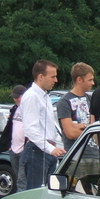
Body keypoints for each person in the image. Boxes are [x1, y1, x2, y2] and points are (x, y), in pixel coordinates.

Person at [20, 60, 66, 189]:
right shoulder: (31, 97)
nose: (56, 80)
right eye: (53, 77)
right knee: (36, 194)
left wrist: (54, 146)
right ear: (41, 77)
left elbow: (48, 126)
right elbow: (31, 129)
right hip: (37, 151)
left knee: (48, 193)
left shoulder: (45, 96)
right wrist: (51, 149)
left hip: (47, 151)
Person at [0, 85, 28, 192]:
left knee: (22, 178)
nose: (16, 99)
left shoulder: (28, 109)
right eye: (14, 97)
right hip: (13, 149)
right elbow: (10, 128)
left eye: (18, 97)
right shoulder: (14, 109)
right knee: (17, 177)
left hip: (24, 149)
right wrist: (9, 145)